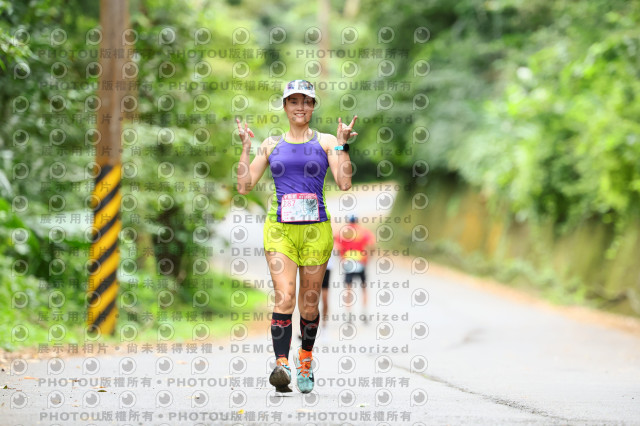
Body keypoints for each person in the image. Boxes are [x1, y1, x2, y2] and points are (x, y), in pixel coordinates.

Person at [236, 79, 357, 393]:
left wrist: (343, 145)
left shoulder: (327, 141)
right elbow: (244, 185)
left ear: (313, 106)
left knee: (309, 304)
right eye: (294, 101)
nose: (300, 107)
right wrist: (246, 149)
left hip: (316, 231)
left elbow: (344, 182)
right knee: (285, 296)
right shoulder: (270, 144)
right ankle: (282, 365)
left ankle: (305, 359)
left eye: (306, 101)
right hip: (280, 230)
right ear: (285, 106)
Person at [334, 215, 375, 322]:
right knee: (364, 287)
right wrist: (368, 258)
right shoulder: (364, 231)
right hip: (361, 261)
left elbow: (337, 246)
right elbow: (372, 245)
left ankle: (349, 313)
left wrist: (341, 258)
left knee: (348, 289)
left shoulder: (344, 232)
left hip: (348, 262)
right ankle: (364, 312)